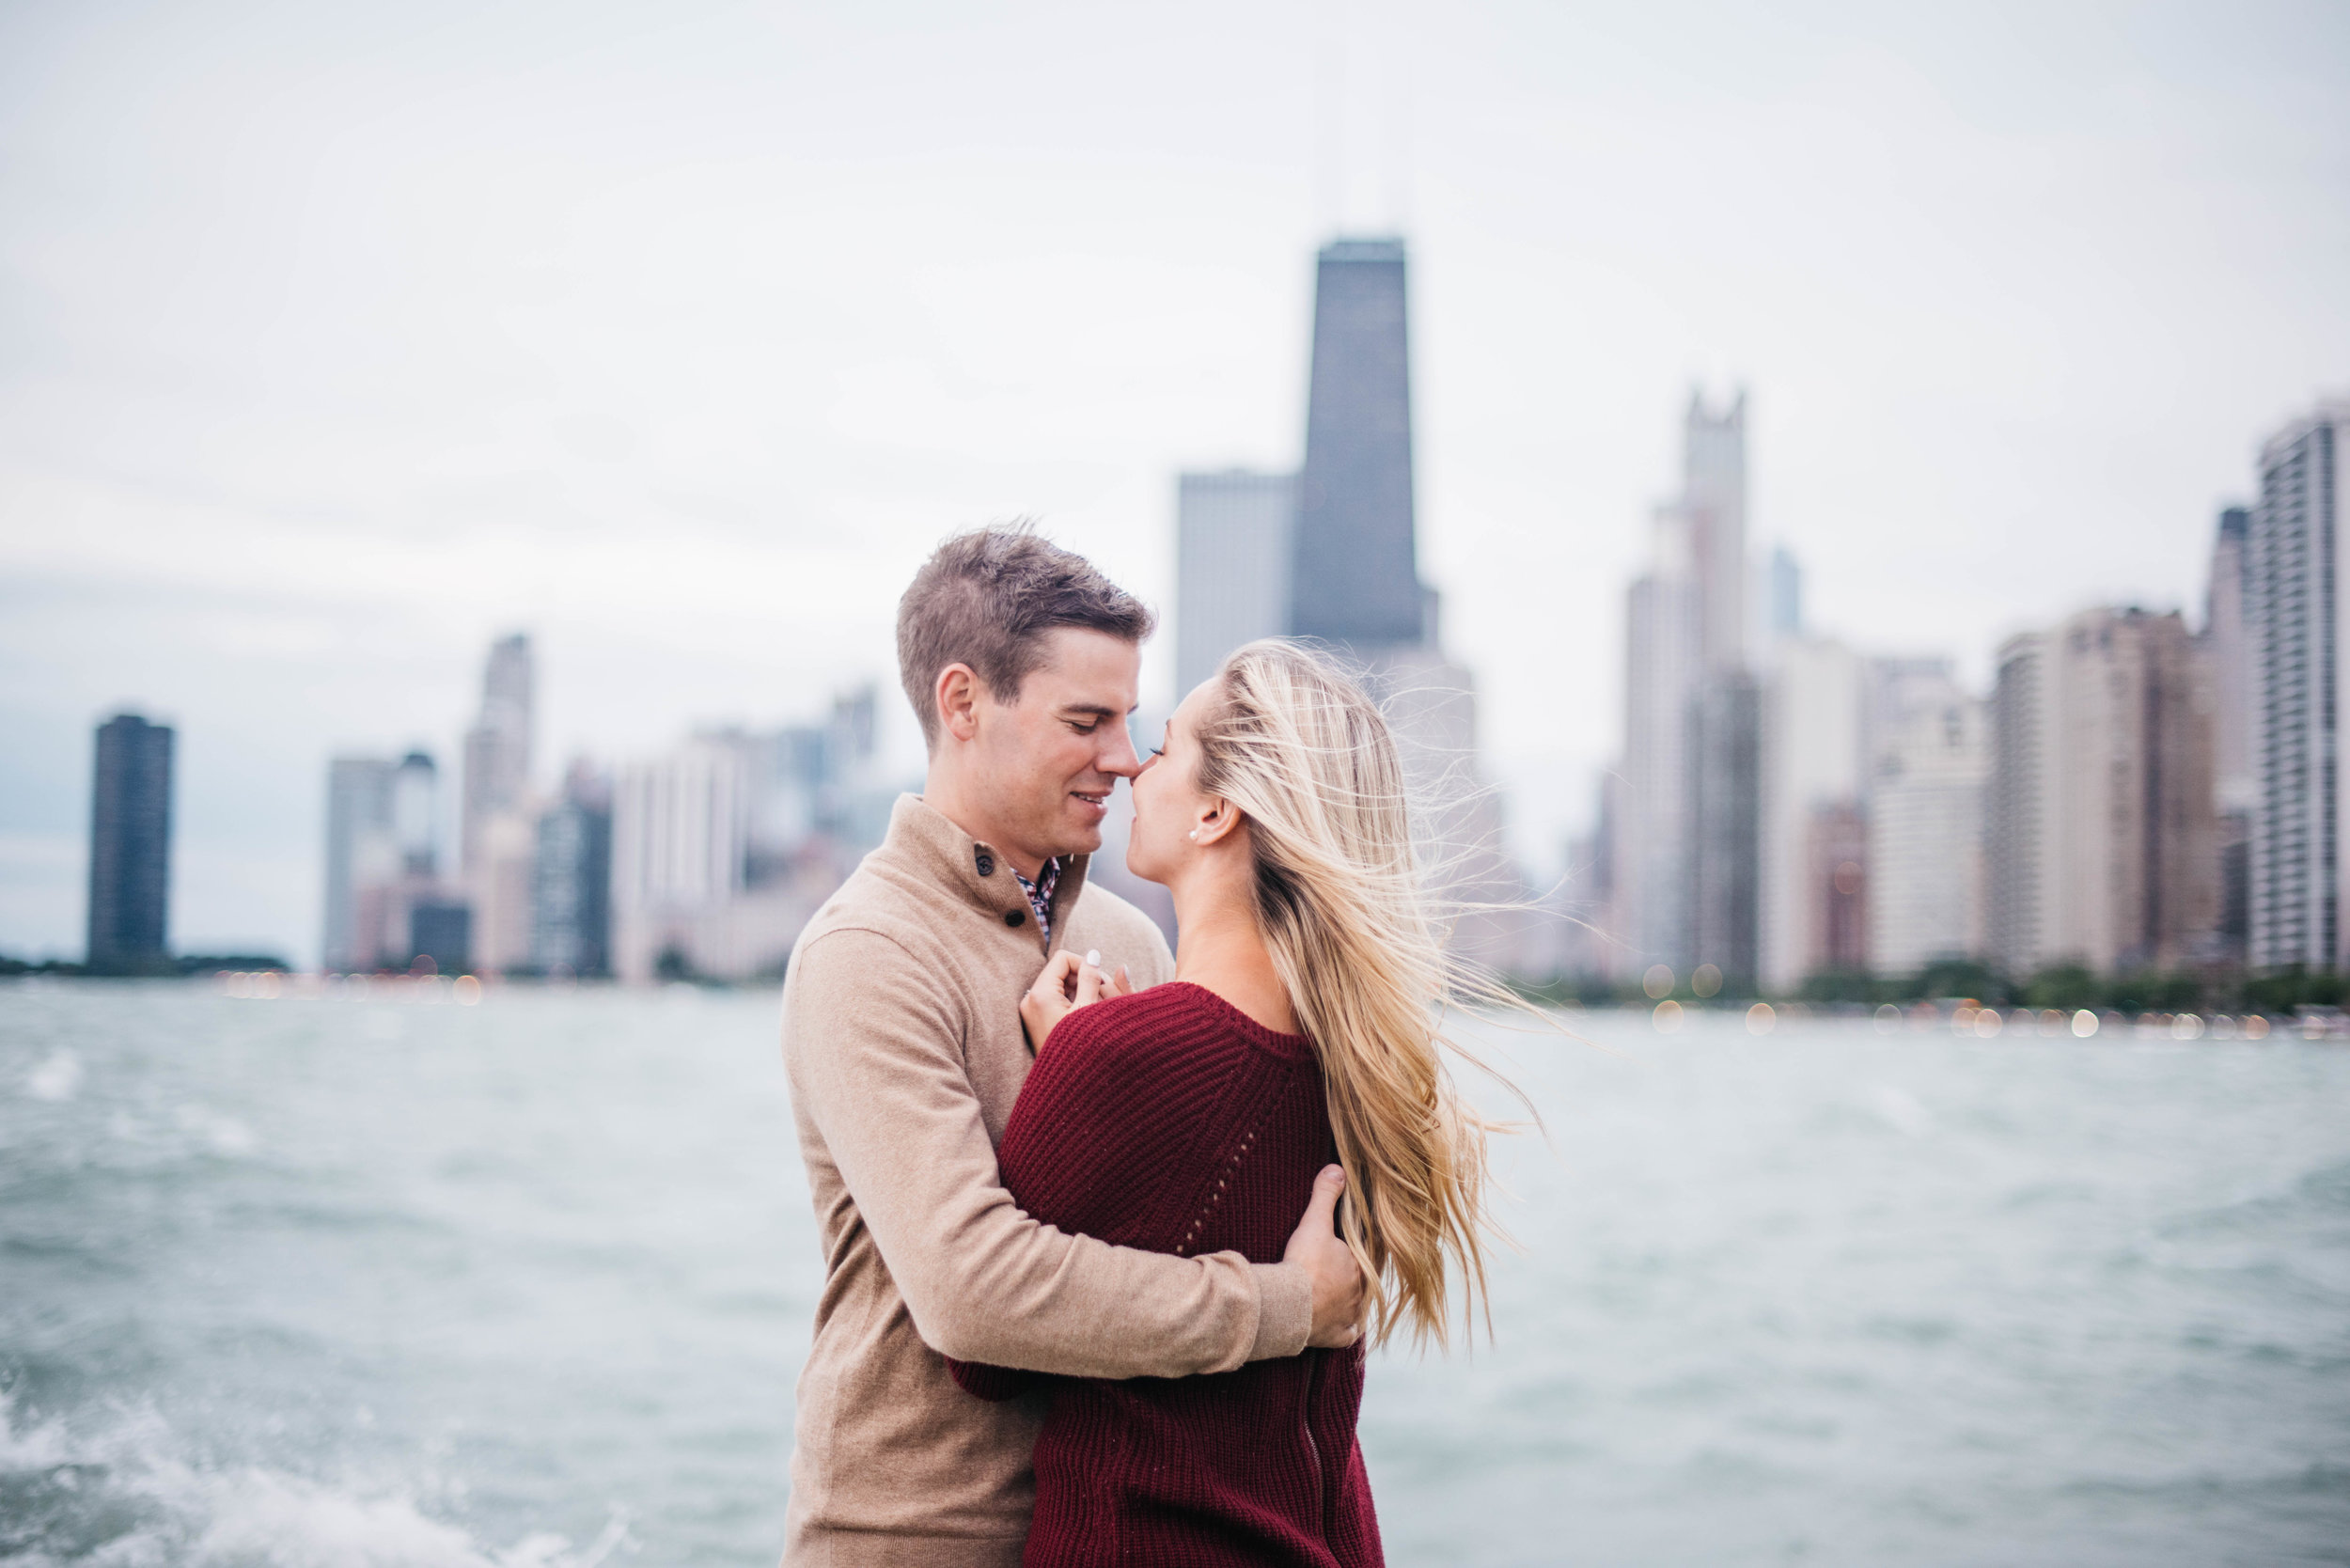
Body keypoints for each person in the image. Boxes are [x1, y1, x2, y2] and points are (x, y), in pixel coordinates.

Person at [779, 529, 1368, 1568]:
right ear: (962, 705)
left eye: (1133, 721)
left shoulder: (1130, 940)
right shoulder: (867, 956)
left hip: (1117, 1535)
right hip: (916, 1541)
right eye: (1087, 721)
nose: (1125, 757)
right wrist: (1287, 1305)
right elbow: (972, 1293)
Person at [948, 638, 1519, 1567]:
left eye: (1165, 747)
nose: (1135, 764)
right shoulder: (1358, 1063)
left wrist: (1069, 1070)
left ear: (1217, 810)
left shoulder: (1115, 1053)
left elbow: (984, 1358)